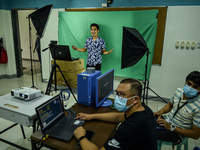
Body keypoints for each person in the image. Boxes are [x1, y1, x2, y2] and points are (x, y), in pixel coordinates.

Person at [74, 78, 157, 150]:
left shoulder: (129, 128)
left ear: (135, 99)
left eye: (122, 94)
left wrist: (81, 137)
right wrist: (92, 116)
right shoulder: (145, 109)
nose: (117, 97)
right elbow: (119, 117)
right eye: (117, 93)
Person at [154, 71, 200, 144]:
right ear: (185, 82)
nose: (190, 88)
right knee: (144, 119)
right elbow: (170, 105)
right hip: (167, 121)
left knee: (148, 133)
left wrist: (172, 127)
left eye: (195, 87)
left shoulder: (198, 106)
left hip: (177, 133)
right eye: (189, 84)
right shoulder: (179, 91)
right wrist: (160, 112)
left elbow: (196, 134)